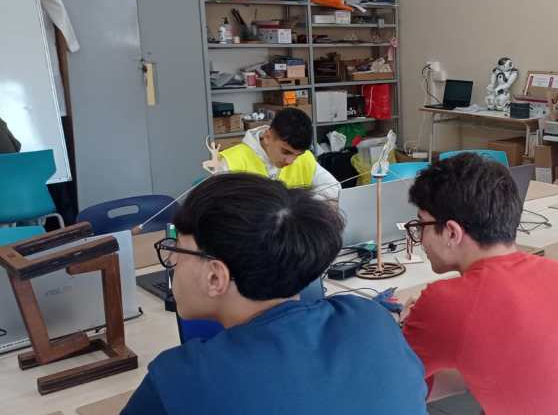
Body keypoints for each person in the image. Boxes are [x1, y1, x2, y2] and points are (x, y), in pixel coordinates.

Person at [121, 173, 427, 415]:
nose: (172, 262)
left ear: (215, 276)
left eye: (176, 250)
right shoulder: (371, 319)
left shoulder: (180, 379)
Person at [400, 153, 558, 415]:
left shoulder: (446, 302)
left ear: (452, 232)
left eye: (421, 226)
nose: (420, 238)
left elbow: (391, 386)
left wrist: (393, 329)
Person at [217, 108, 339, 200]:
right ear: (267, 137)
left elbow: (334, 189)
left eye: (297, 155)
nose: (290, 161)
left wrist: (302, 205)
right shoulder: (230, 163)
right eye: (286, 152)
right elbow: (217, 210)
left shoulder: (305, 158)